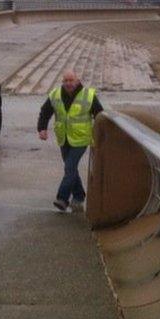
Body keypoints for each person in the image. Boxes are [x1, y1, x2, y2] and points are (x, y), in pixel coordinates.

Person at [37, 70, 103, 213]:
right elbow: (45, 112)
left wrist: (102, 135)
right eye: (65, 80)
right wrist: (42, 128)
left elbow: (100, 115)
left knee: (69, 167)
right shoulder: (55, 94)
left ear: (77, 81)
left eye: (71, 80)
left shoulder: (88, 95)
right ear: (62, 81)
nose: (68, 83)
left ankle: (62, 198)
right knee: (71, 168)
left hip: (81, 138)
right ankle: (79, 196)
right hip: (63, 138)